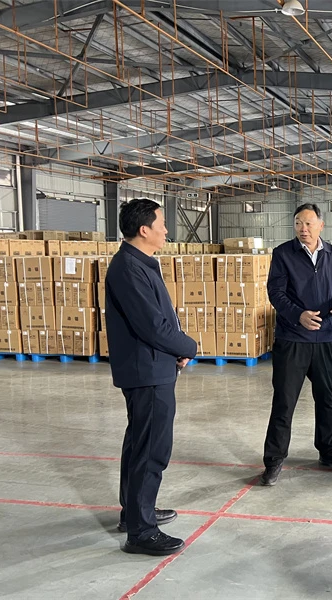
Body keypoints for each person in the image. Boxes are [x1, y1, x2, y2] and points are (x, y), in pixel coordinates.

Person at [105, 198, 198, 556]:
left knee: (139, 443)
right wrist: (188, 345)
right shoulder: (129, 268)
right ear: (144, 230)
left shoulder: (139, 263)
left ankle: (134, 513)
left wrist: (175, 349)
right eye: (162, 224)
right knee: (151, 450)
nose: (166, 231)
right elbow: (153, 326)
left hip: (152, 366)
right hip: (147, 370)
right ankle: (141, 531)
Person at [259, 203, 332, 486]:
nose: (303, 229)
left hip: (325, 338)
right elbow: (275, 292)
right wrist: (297, 315)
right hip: (293, 339)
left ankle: (328, 450)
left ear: (321, 225)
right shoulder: (283, 253)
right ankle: (274, 460)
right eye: (298, 222)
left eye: (309, 223)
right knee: (284, 401)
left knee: (326, 399)